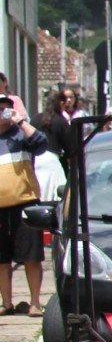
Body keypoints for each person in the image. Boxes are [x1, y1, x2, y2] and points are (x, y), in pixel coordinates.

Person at [0, 103, 50, 315]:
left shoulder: (21, 134)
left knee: (31, 255)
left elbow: (42, 144)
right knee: (1, 259)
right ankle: (6, 303)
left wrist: (20, 121)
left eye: (5, 108)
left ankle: (35, 303)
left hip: (25, 201)